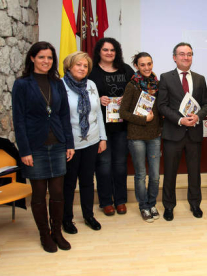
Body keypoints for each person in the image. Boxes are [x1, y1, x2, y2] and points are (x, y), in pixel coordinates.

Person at [12, 41, 74, 253]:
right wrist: (25, 150)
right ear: (32, 58)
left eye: (49, 58)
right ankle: (44, 234)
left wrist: (69, 143)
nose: (46, 61)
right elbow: (18, 120)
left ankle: (57, 232)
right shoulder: (22, 84)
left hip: (58, 144)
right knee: (38, 194)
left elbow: (64, 115)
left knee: (58, 192)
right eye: (41, 57)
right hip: (35, 147)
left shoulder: (58, 83)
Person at [157, 42, 207, 221]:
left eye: (189, 54)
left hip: (194, 133)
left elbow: (206, 104)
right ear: (174, 57)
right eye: (182, 54)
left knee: (195, 172)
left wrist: (198, 117)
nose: (186, 57)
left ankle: (195, 204)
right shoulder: (165, 77)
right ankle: (169, 206)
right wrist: (180, 119)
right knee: (170, 172)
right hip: (173, 133)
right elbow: (162, 105)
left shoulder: (200, 78)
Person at [61, 51, 107, 234]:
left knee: (88, 181)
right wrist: (66, 144)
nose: (82, 68)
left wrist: (103, 138)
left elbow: (97, 114)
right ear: (69, 66)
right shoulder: (60, 86)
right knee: (69, 183)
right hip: (70, 145)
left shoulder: (92, 85)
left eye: (85, 66)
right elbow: (59, 118)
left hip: (92, 141)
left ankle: (88, 215)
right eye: (78, 65)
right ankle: (67, 219)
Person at [89, 38, 134, 216]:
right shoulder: (91, 71)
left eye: (112, 50)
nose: (109, 53)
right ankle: (106, 201)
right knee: (104, 165)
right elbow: (84, 95)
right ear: (99, 51)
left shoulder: (126, 70)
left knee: (121, 164)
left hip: (122, 127)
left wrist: (127, 98)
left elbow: (138, 91)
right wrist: (98, 99)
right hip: (101, 128)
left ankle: (121, 200)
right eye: (105, 50)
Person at [119, 52, 162, 223]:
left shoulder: (157, 85)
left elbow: (159, 111)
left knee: (155, 175)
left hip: (154, 136)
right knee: (140, 174)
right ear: (137, 66)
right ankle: (143, 206)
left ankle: (152, 204)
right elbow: (123, 113)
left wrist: (159, 129)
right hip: (136, 137)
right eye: (142, 64)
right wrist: (144, 119)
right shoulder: (132, 86)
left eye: (149, 64)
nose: (146, 67)